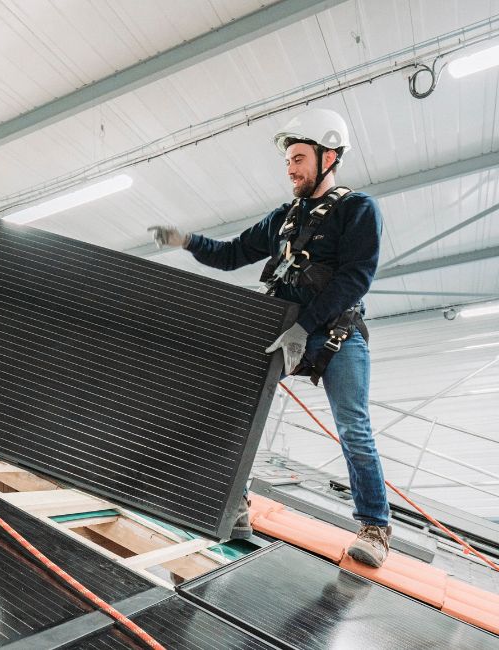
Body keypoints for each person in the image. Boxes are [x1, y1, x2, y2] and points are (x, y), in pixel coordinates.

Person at [147, 108, 392, 568]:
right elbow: (232, 254)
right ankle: (234, 503)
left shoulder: (358, 209)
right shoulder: (284, 219)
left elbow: (355, 277)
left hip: (337, 334)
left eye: (299, 158)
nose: (291, 169)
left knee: (354, 429)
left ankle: (375, 528)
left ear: (329, 156)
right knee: (235, 408)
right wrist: (187, 240)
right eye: (287, 162)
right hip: (283, 332)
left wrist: (305, 326)